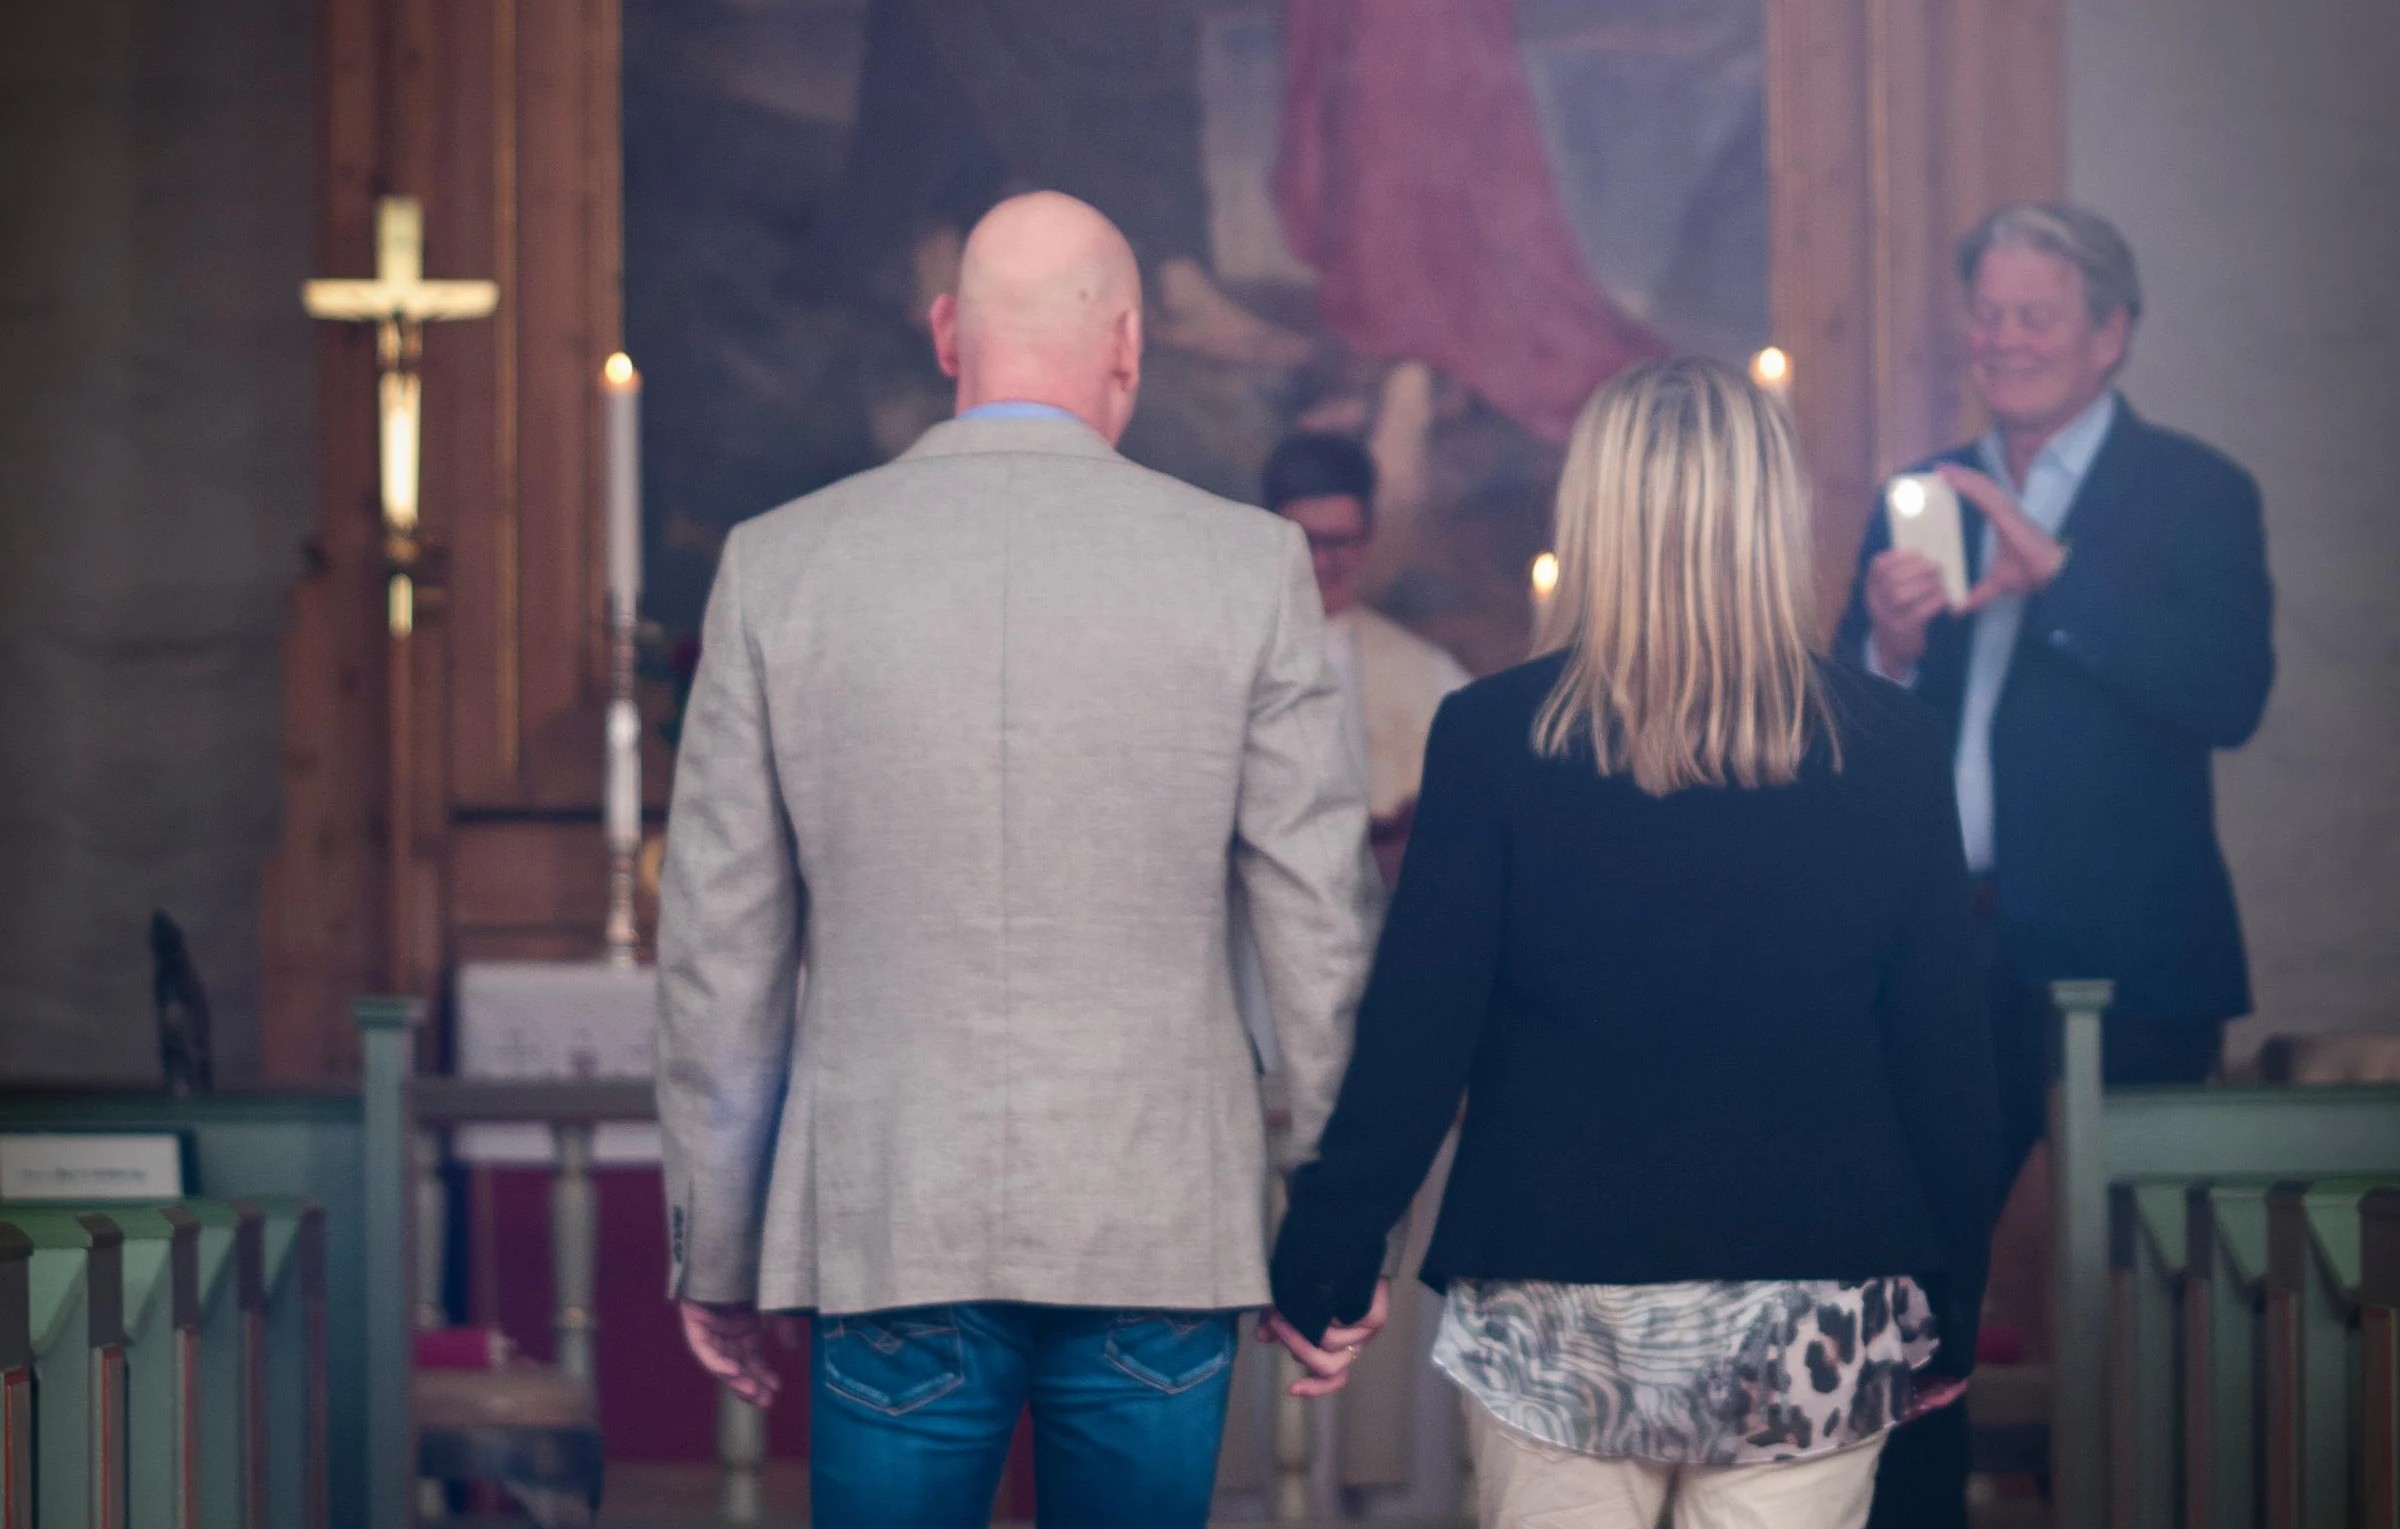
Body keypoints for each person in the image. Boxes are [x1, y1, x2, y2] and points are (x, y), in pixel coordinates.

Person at [655, 192, 1383, 1529]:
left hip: (893, 1218)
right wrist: (1340, 1226)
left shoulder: (780, 566)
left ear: (947, 332)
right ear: (1130, 344)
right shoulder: (1247, 567)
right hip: (1156, 1223)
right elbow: (1321, 930)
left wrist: (718, 1241)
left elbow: (720, 945)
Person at [1266, 357, 2003, 1529]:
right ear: (1771, 515)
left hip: (1557, 1299)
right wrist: (1951, 1300)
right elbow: (1949, 1061)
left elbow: (1419, 1031)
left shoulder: (1491, 738)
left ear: (1594, 513)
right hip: (1813, 1304)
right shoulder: (1893, 743)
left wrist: (1329, 1255)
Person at [1838, 203, 2274, 1527]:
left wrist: (2063, 578)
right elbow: (1845, 740)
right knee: (1907, 1274)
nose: (2004, 338)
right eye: (1988, 313)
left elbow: (2230, 694)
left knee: (2158, 1291)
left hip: (2133, 959)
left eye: (2036, 315)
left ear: (2110, 334)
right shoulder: (1920, 492)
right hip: (1944, 951)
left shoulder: (2198, 489)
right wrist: (1883, 650)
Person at [1263, 432, 1472, 886]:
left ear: (1369, 537)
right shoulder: (1230, 653)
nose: (1322, 562)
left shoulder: (1432, 674)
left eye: (1339, 541)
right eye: (1306, 541)